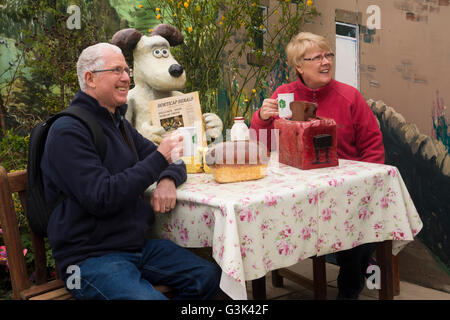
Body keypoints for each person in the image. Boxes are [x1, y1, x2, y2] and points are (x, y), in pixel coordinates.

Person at [40, 43, 222, 300]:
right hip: (89, 258)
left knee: (209, 276)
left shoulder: (118, 124)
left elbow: (174, 162)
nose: (126, 77)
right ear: (90, 79)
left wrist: (167, 179)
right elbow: (102, 197)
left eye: (126, 70)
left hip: (135, 247)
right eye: (116, 70)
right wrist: (160, 159)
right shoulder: (68, 131)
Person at [250, 32, 385, 299]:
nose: (326, 62)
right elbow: (259, 145)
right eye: (317, 58)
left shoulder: (349, 96)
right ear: (299, 65)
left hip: (347, 190)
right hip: (298, 191)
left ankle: (349, 286)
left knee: (363, 220)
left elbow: (373, 147)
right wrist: (262, 116)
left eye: (328, 55)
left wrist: (367, 185)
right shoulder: (284, 95)